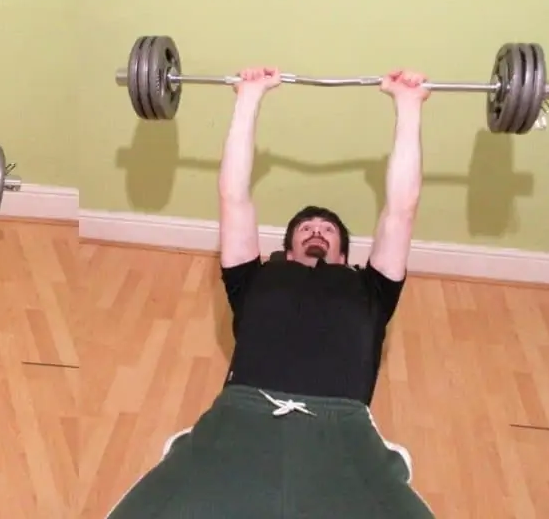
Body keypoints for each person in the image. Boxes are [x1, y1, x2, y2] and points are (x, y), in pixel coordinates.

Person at [104, 68, 436, 518]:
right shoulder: (253, 279)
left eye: (326, 229)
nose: (316, 230)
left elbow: (401, 210)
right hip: (244, 415)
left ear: (345, 254)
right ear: (286, 248)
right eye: (305, 228)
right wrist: (249, 96)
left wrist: (408, 105)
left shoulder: (372, 288)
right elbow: (233, 197)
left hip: (340, 428)